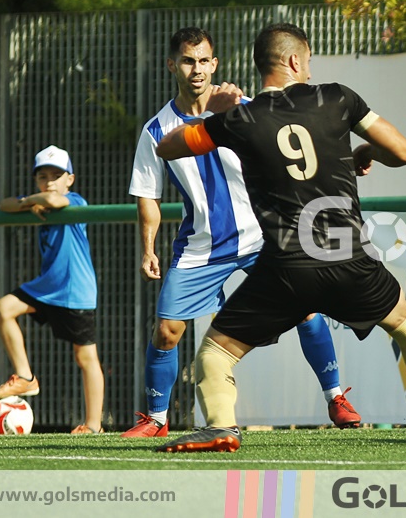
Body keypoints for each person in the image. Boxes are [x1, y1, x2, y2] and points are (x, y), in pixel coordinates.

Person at [152, 23, 406, 451]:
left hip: (285, 270)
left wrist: (212, 113)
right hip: (351, 260)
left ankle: (222, 426)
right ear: (294, 61)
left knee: (216, 354)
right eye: (307, 62)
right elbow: (404, 152)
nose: (309, 71)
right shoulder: (337, 98)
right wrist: (364, 152)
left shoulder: (239, 119)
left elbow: (168, 148)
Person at [125, 27, 358, 438]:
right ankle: (156, 420)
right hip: (203, 246)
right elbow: (148, 195)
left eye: (203, 61)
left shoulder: (246, 109)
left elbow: (297, 152)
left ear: (215, 64)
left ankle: (336, 398)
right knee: (167, 331)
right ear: (171, 65)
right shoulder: (156, 131)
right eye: (187, 60)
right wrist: (147, 248)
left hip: (262, 238)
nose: (196, 70)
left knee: (306, 309)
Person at [0, 145, 105, 434]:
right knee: (4, 307)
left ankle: (93, 425)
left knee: (85, 357)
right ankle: (26, 377)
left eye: (57, 175)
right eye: (43, 176)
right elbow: (5, 204)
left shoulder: (76, 200)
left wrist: (37, 200)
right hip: (46, 286)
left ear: (71, 179)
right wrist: (30, 202)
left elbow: (58, 201)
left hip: (74, 290)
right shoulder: (38, 200)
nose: (50, 181)